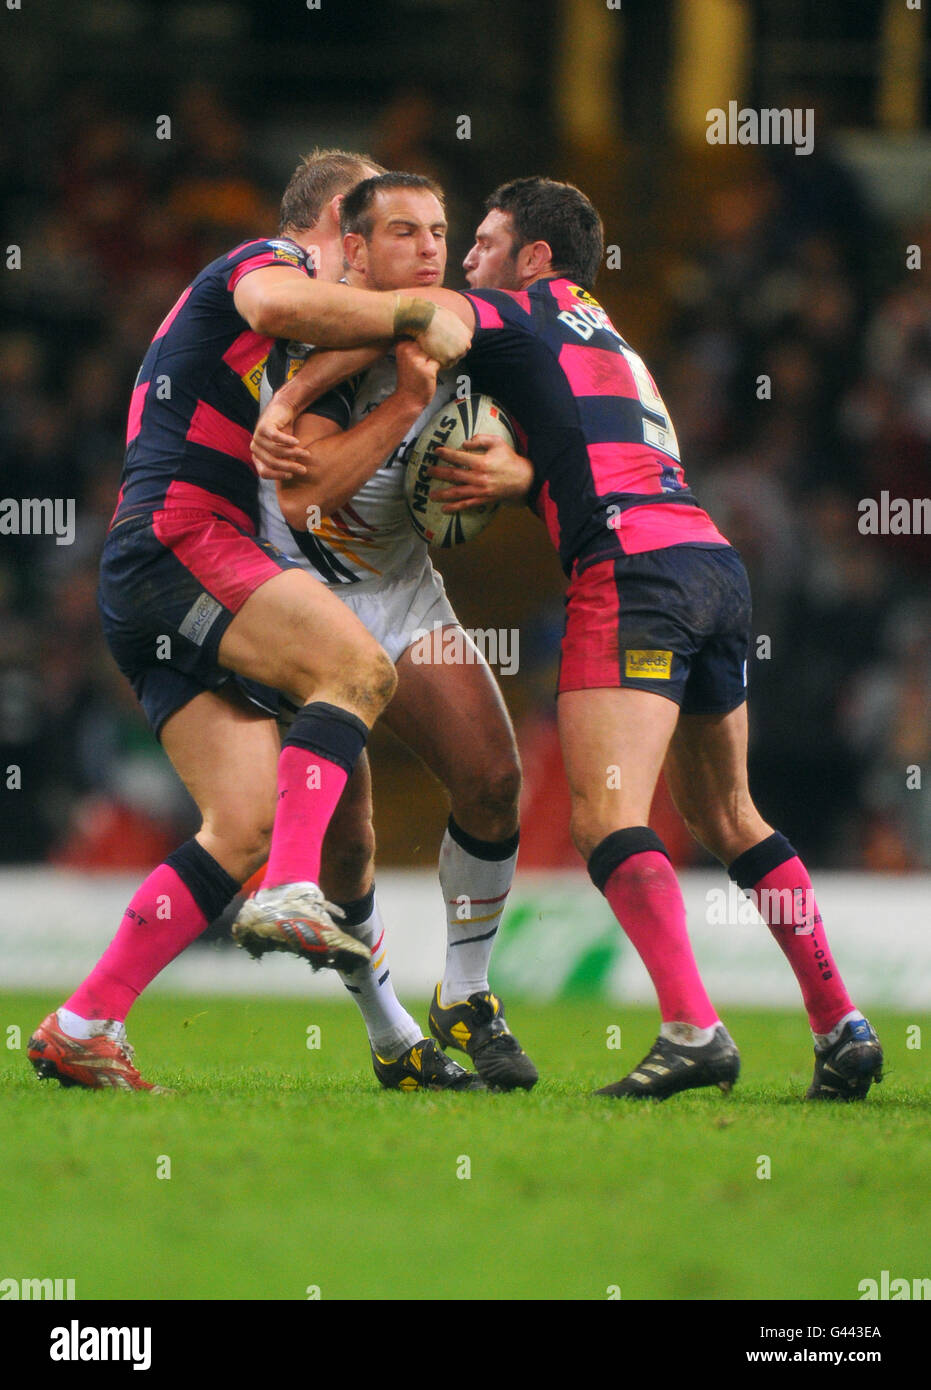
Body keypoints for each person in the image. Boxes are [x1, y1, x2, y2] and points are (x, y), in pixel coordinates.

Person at [259, 177, 883, 1103]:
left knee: (602, 816)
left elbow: (403, 316)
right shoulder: (604, 331)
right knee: (730, 817)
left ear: (533, 259)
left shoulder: (504, 315)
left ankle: (690, 1030)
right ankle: (841, 1027)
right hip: (708, 560)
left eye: (479, 241)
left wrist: (285, 391)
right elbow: (581, 437)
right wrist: (522, 474)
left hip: (629, 572)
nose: (462, 258)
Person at [27, 150, 471, 1093]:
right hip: (184, 537)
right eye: (368, 231)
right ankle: (289, 893)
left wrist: (398, 384)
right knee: (358, 671)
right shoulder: (258, 265)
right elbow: (278, 307)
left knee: (238, 825)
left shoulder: (286, 348)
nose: (378, 253)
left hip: (147, 573)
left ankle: (85, 1021)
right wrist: (416, 312)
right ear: (333, 230)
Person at [254, 173, 536, 1091]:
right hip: (303, 599)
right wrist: (406, 403)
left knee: (493, 780)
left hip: (406, 591)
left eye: (440, 232)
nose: (428, 249)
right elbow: (302, 494)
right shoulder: (314, 338)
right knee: (350, 843)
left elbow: (541, 430)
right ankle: (389, 1035)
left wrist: (512, 467)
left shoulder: (456, 329)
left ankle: (467, 995)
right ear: (357, 248)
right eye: (403, 232)